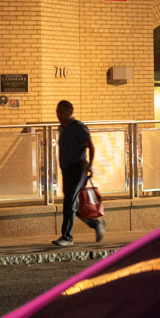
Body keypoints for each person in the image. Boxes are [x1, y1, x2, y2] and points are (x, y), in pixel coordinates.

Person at [54, 99, 105, 246]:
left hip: (78, 168)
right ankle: (96, 224)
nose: (59, 114)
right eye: (57, 111)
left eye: (62, 112)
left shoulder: (78, 127)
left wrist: (90, 166)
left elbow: (91, 146)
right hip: (67, 170)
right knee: (72, 205)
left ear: (70, 112)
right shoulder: (61, 128)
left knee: (69, 201)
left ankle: (67, 237)